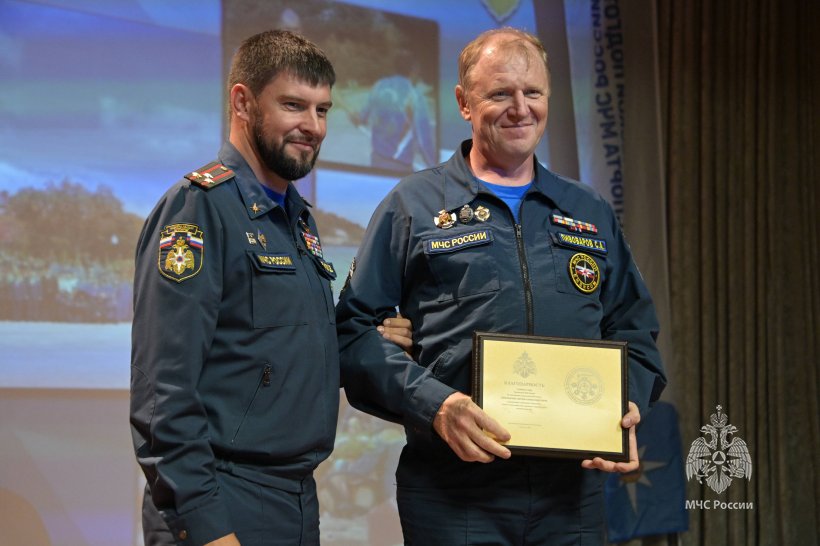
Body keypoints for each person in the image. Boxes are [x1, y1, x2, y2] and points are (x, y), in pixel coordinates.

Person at [335, 27, 667, 545]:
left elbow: (636, 328)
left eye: (533, 93)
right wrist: (434, 405)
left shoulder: (588, 210)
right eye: (500, 94)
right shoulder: (413, 205)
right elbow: (352, 334)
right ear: (464, 103)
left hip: (570, 498)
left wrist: (625, 404)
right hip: (453, 495)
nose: (520, 109)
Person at [130, 30, 412, 546]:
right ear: (242, 101)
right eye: (293, 105)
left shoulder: (296, 218)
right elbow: (162, 396)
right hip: (223, 502)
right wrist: (208, 525)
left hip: (297, 497)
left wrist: (366, 340)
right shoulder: (198, 210)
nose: (313, 126)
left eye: (323, 110)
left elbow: (279, 346)